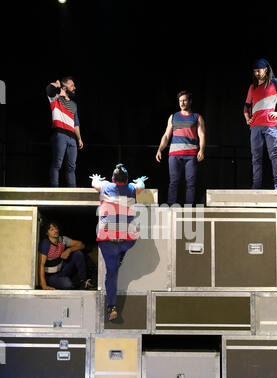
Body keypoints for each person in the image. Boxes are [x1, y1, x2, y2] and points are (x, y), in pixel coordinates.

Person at [91, 164, 147, 321]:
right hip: (126, 239)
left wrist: (96, 178)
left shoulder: (105, 186)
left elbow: (94, 184)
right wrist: (140, 180)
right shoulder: (131, 189)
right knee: (136, 230)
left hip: (106, 240)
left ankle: (112, 307)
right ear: (127, 180)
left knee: (112, 273)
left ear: (112, 179)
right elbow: (141, 186)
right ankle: (122, 253)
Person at [244, 59, 277, 190]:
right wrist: (247, 118)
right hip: (255, 126)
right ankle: (256, 185)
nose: (256, 73)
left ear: (266, 69)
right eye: (254, 71)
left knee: (274, 154)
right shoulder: (253, 87)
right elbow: (246, 106)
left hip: (270, 125)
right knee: (256, 157)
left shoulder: (275, 83)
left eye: (259, 70)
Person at [155, 90, 205, 205]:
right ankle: (171, 206)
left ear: (190, 101)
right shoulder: (173, 117)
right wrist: (160, 149)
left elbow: (201, 135)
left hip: (191, 154)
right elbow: (167, 135)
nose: (182, 103)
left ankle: (189, 208)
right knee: (173, 182)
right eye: (180, 101)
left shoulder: (197, 117)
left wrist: (202, 150)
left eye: (184, 100)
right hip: (174, 154)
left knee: (191, 183)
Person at [46, 77, 83, 187]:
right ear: (64, 87)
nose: (74, 88)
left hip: (72, 138)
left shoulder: (74, 105)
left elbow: (76, 123)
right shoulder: (55, 98)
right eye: (72, 86)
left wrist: (79, 138)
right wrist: (56, 85)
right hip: (60, 135)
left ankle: (73, 193)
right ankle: (54, 191)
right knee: (57, 163)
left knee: (72, 167)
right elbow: (49, 88)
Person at [38, 220, 93, 290]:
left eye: (56, 228)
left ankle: (83, 281)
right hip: (51, 277)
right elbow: (41, 265)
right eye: (52, 229)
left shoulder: (62, 239)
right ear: (47, 233)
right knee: (67, 284)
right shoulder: (45, 244)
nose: (55, 230)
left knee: (77, 253)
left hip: (62, 270)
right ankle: (73, 282)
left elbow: (81, 245)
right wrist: (43, 285)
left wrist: (69, 250)